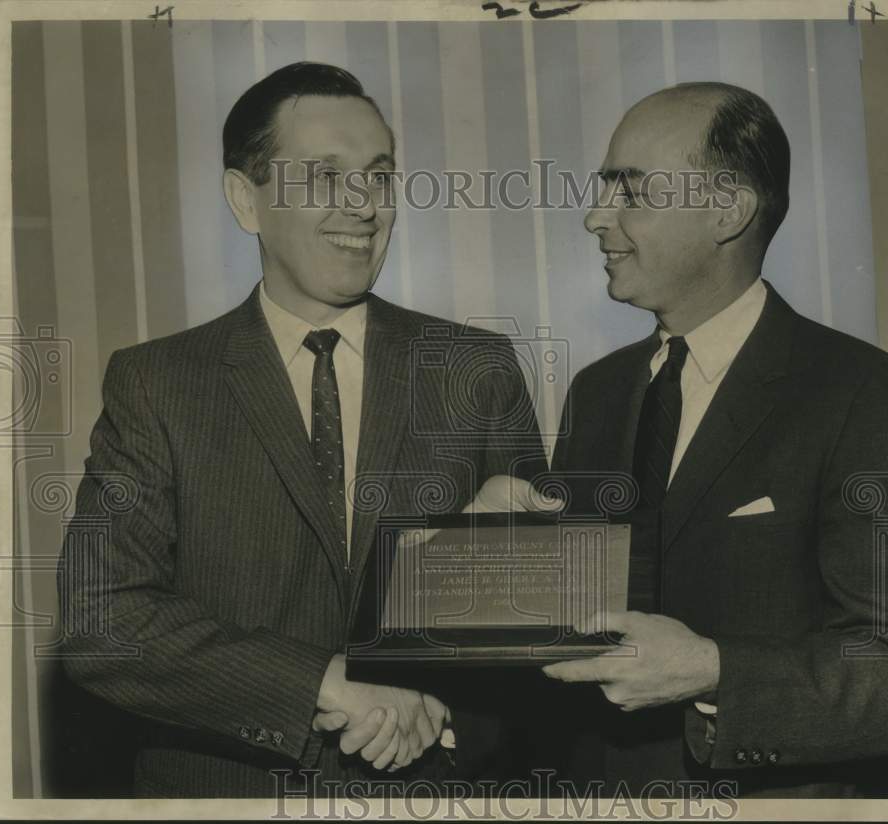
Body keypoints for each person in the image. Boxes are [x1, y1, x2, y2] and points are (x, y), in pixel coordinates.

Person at [56, 62, 549, 798]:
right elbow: (102, 619)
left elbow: (541, 615)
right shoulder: (157, 383)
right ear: (244, 199)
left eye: (379, 178)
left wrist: (439, 703)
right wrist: (326, 683)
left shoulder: (474, 366)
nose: (363, 206)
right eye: (324, 177)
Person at [538, 82, 888, 798]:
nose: (594, 216)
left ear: (727, 210)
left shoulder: (862, 394)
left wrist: (714, 670)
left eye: (629, 191)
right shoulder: (597, 392)